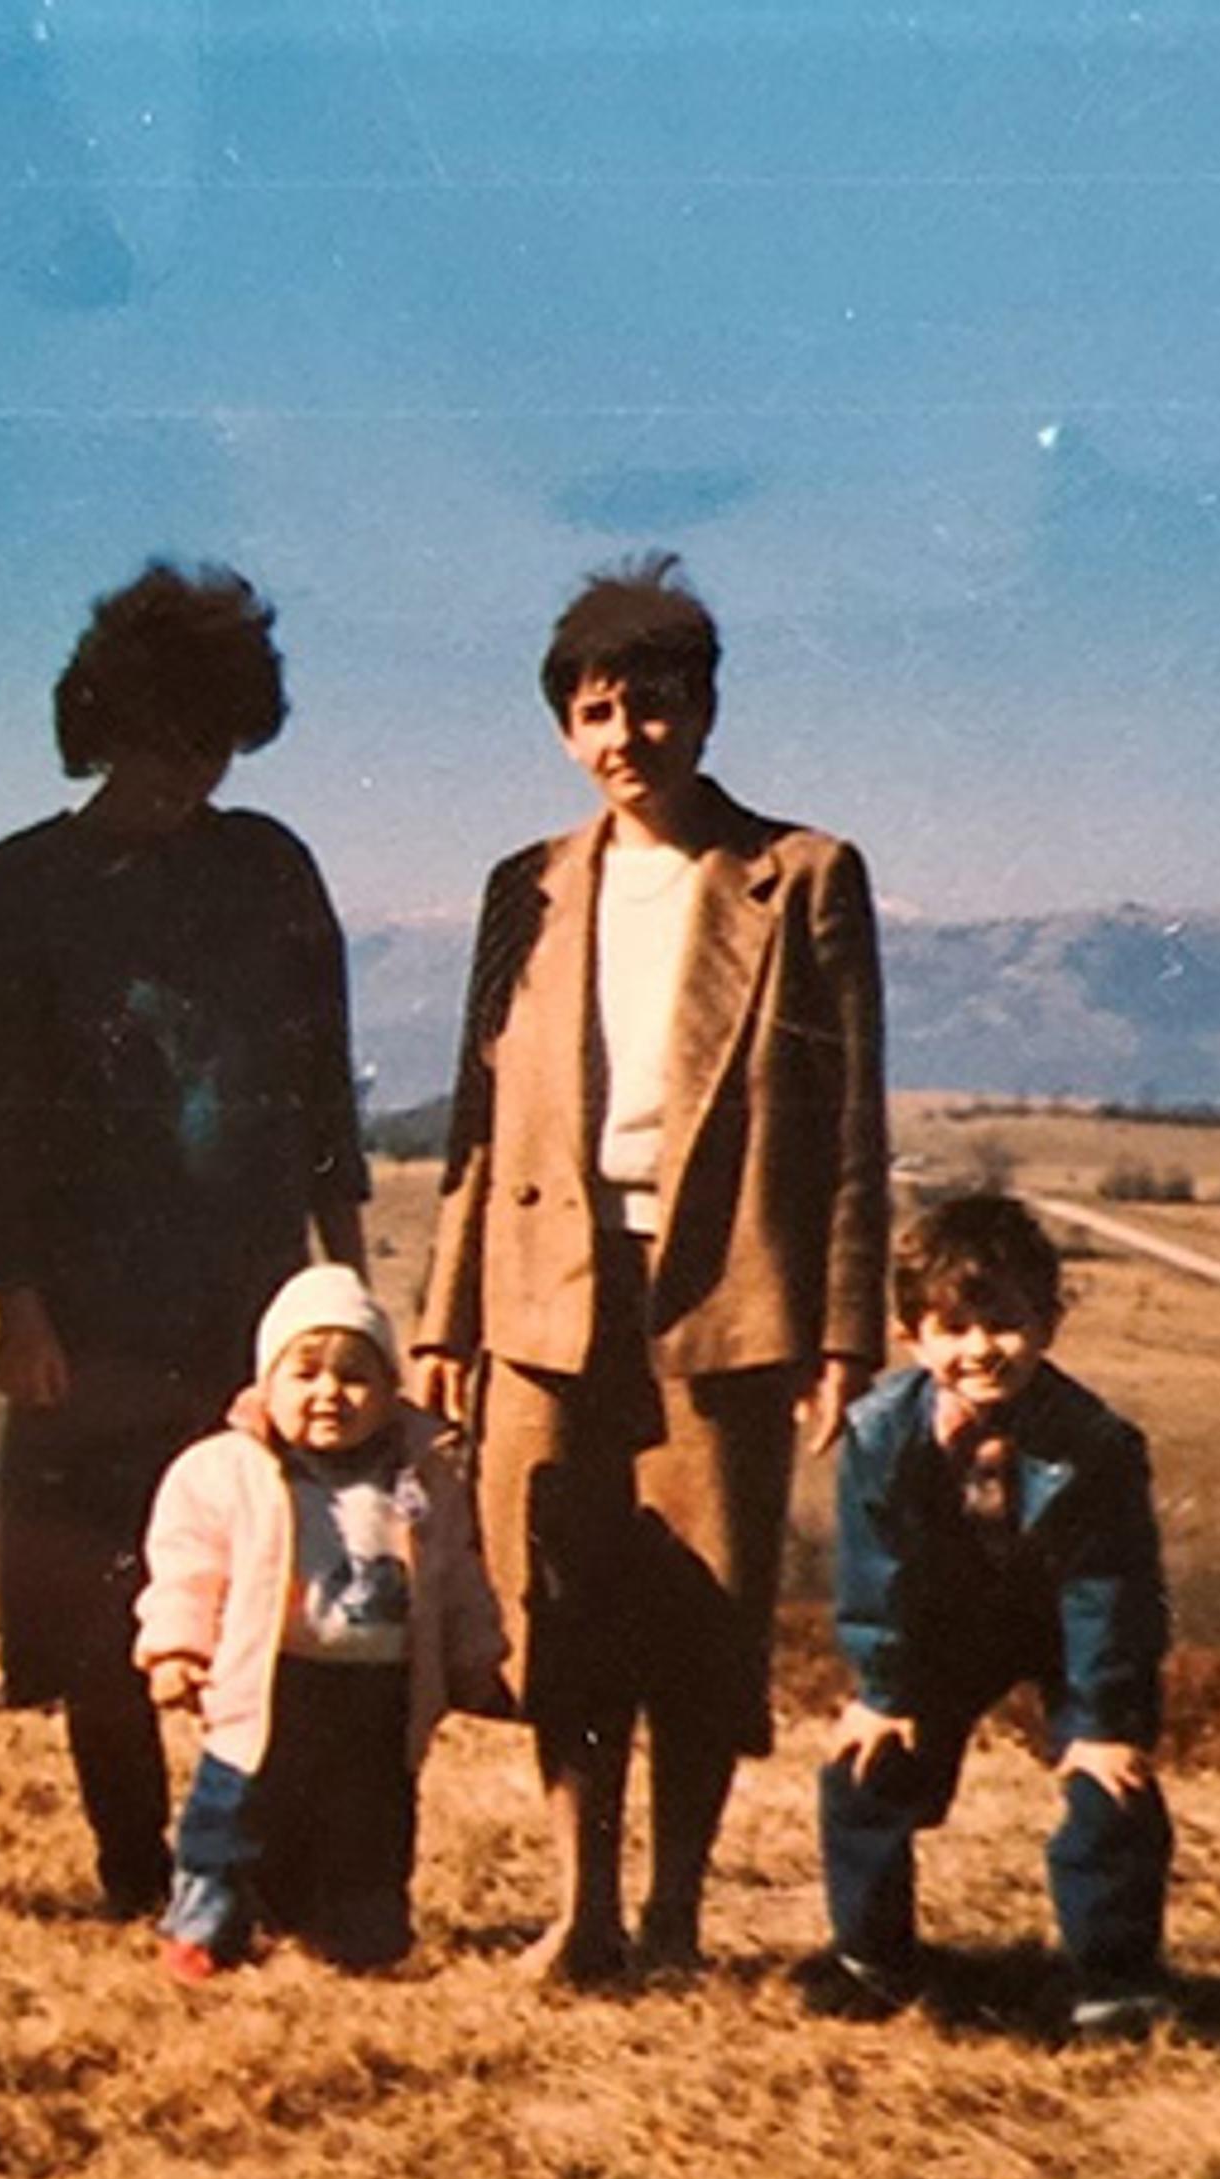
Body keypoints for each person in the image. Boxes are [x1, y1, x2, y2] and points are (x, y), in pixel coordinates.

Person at [411, 555, 890, 1984]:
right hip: (543, 1295)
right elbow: (474, 1120)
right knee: (560, 1608)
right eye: (599, 710)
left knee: (700, 1620)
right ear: (566, 725)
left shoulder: (803, 875)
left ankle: (676, 1915)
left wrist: (844, 1332)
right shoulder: (527, 888)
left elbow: (852, 1121)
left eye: (658, 704)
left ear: (707, 707)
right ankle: (585, 1912)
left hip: (724, 1294)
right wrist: (447, 1318)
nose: (629, 738)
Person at [0, 562, 366, 1920]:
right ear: (103, 720)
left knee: (280, 1580)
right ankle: (136, 1868)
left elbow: (320, 1083)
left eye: (217, 741)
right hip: (85, 1309)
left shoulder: (269, 866)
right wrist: (15, 1301)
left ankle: (271, 1862)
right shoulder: (12, 889)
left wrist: (341, 1273)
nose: (191, 769)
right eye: (166, 735)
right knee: (100, 1603)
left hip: (250, 1300)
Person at [811, 1192, 1173, 2033]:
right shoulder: (879, 1434)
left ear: (1048, 1323)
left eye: (1005, 1324)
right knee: (863, 1768)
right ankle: (871, 1959)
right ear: (913, 1337)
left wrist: (1103, 1720)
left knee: (1110, 1788)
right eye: (953, 1328)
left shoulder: (1096, 1445)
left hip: (1064, 1631)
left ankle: (1116, 1981)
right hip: (944, 1632)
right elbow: (877, 1573)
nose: (980, 1350)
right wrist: (886, 1690)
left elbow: (1109, 1590)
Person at [134, 1266, 510, 1980]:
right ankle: (206, 1927)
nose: (329, 1394)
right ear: (266, 1386)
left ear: (389, 1391)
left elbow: (456, 1573)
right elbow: (186, 1564)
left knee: (370, 1821)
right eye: (304, 1374)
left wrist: (474, 1658)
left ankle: (361, 1931)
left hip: (378, 1691)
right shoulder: (227, 1471)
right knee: (234, 1815)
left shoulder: (422, 1479)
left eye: (355, 1377)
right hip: (268, 1686)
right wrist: (176, 1649)